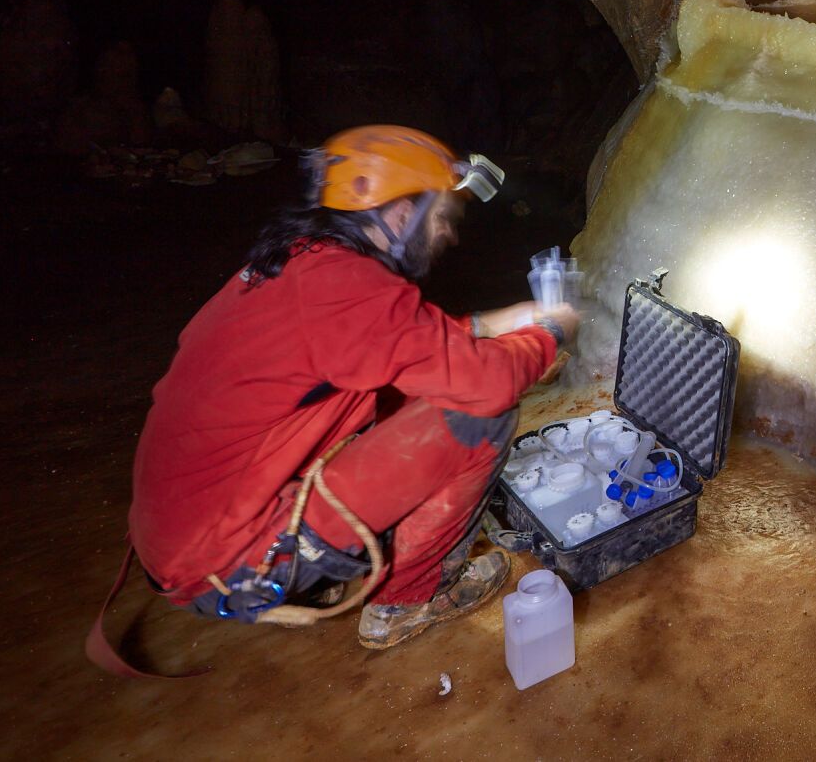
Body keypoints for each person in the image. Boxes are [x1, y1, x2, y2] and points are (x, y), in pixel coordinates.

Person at [124, 125, 580, 651]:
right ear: (402, 213)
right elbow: (486, 382)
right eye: (442, 217)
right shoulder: (344, 289)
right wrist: (547, 333)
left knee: (408, 393)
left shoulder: (304, 265)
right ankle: (407, 599)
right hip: (231, 558)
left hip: (186, 534)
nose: (450, 235)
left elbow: (391, 344)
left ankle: (359, 554)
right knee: (479, 413)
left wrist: (487, 324)